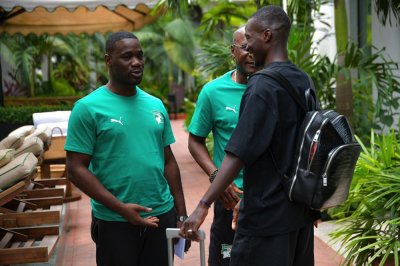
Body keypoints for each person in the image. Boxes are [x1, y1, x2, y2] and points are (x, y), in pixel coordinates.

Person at [180, 6, 320, 266]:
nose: (249, 46)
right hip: (299, 215)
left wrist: (203, 204)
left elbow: (239, 151)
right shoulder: (303, 80)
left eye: (251, 39)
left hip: (266, 217)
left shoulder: (262, 85)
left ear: (267, 36)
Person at [65, 31, 189, 266]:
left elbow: (169, 161)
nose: (136, 62)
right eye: (127, 56)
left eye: (140, 56)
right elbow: (75, 169)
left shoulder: (155, 105)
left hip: (161, 214)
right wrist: (121, 209)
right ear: (108, 60)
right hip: (114, 220)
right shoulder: (87, 108)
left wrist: (181, 215)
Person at [187, 27, 257, 266]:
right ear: (232, 51)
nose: (250, 53)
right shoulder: (213, 92)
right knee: (225, 260)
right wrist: (217, 176)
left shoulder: (273, 90)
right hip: (229, 199)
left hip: (267, 200)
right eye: (244, 47)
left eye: (254, 47)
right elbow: (195, 140)